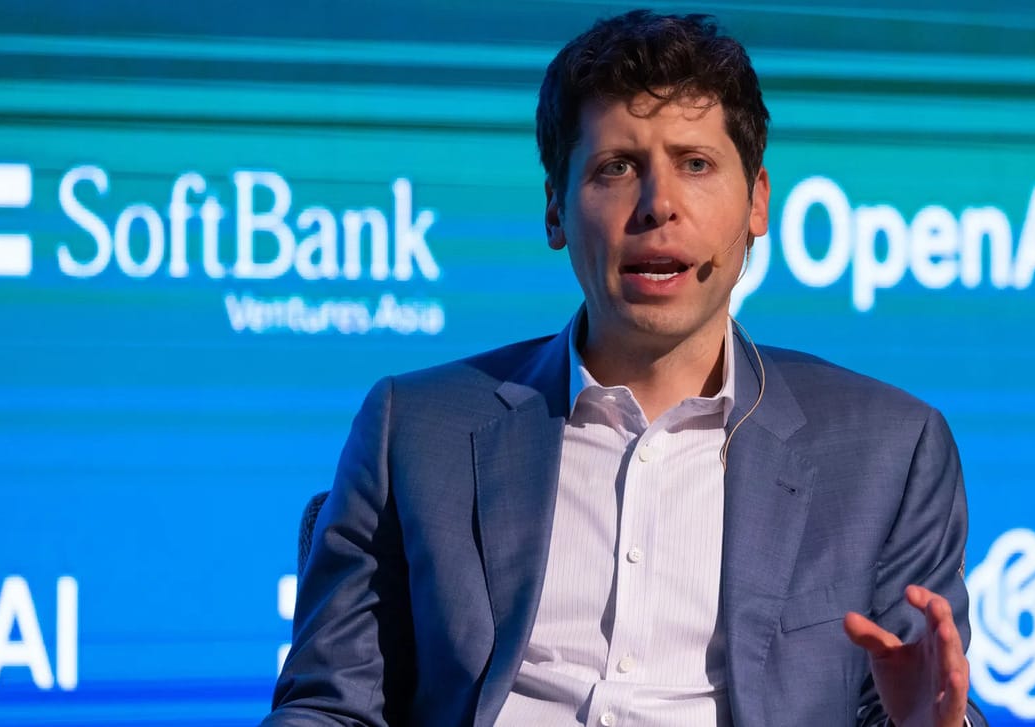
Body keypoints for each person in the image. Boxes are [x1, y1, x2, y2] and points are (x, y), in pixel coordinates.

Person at [263, 9, 984, 727]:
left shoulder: (888, 450)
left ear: (757, 202)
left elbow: (916, 706)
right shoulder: (417, 431)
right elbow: (330, 709)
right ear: (555, 208)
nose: (658, 206)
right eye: (616, 168)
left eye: (695, 164)